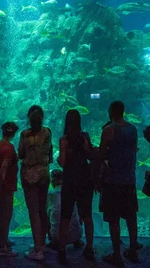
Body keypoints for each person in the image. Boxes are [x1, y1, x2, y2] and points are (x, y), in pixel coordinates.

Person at [99, 101, 140, 267]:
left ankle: (117, 255)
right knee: (131, 217)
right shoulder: (133, 129)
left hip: (113, 180)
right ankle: (133, 251)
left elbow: (102, 154)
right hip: (129, 180)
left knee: (113, 219)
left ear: (110, 112)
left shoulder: (108, 130)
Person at [56, 109, 95, 263]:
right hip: (85, 180)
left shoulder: (64, 140)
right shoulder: (85, 136)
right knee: (87, 215)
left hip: (70, 180)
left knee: (65, 216)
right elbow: (90, 156)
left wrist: (60, 156)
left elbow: (62, 162)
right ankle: (90, 248)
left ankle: (62, 251)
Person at [18, 105, 52, 261]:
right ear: (42, 118)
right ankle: (43, 243)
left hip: (29, 175)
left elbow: (21, 153)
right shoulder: (47, 132)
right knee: (42, 209)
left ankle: (37, 249)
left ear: (29, 119)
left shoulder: (24, 134)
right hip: (44, 174)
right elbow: (50, 152)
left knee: (33, 212)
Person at [0, 122, 19, 257]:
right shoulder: (9, 148)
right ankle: (1, 245)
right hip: (6, 186)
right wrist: (0, 188)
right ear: (14, 133)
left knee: (3, 215)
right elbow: (4, 169)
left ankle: (4, 239)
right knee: (6, 215)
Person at [47, 169, 84, 253]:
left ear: (52, 181)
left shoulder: (50, 194)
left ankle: (52, 241)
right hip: (76, 235)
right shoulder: (72, 192)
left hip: (57, 237)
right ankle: (77, 241)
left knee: (44, 213)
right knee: (78, 210)